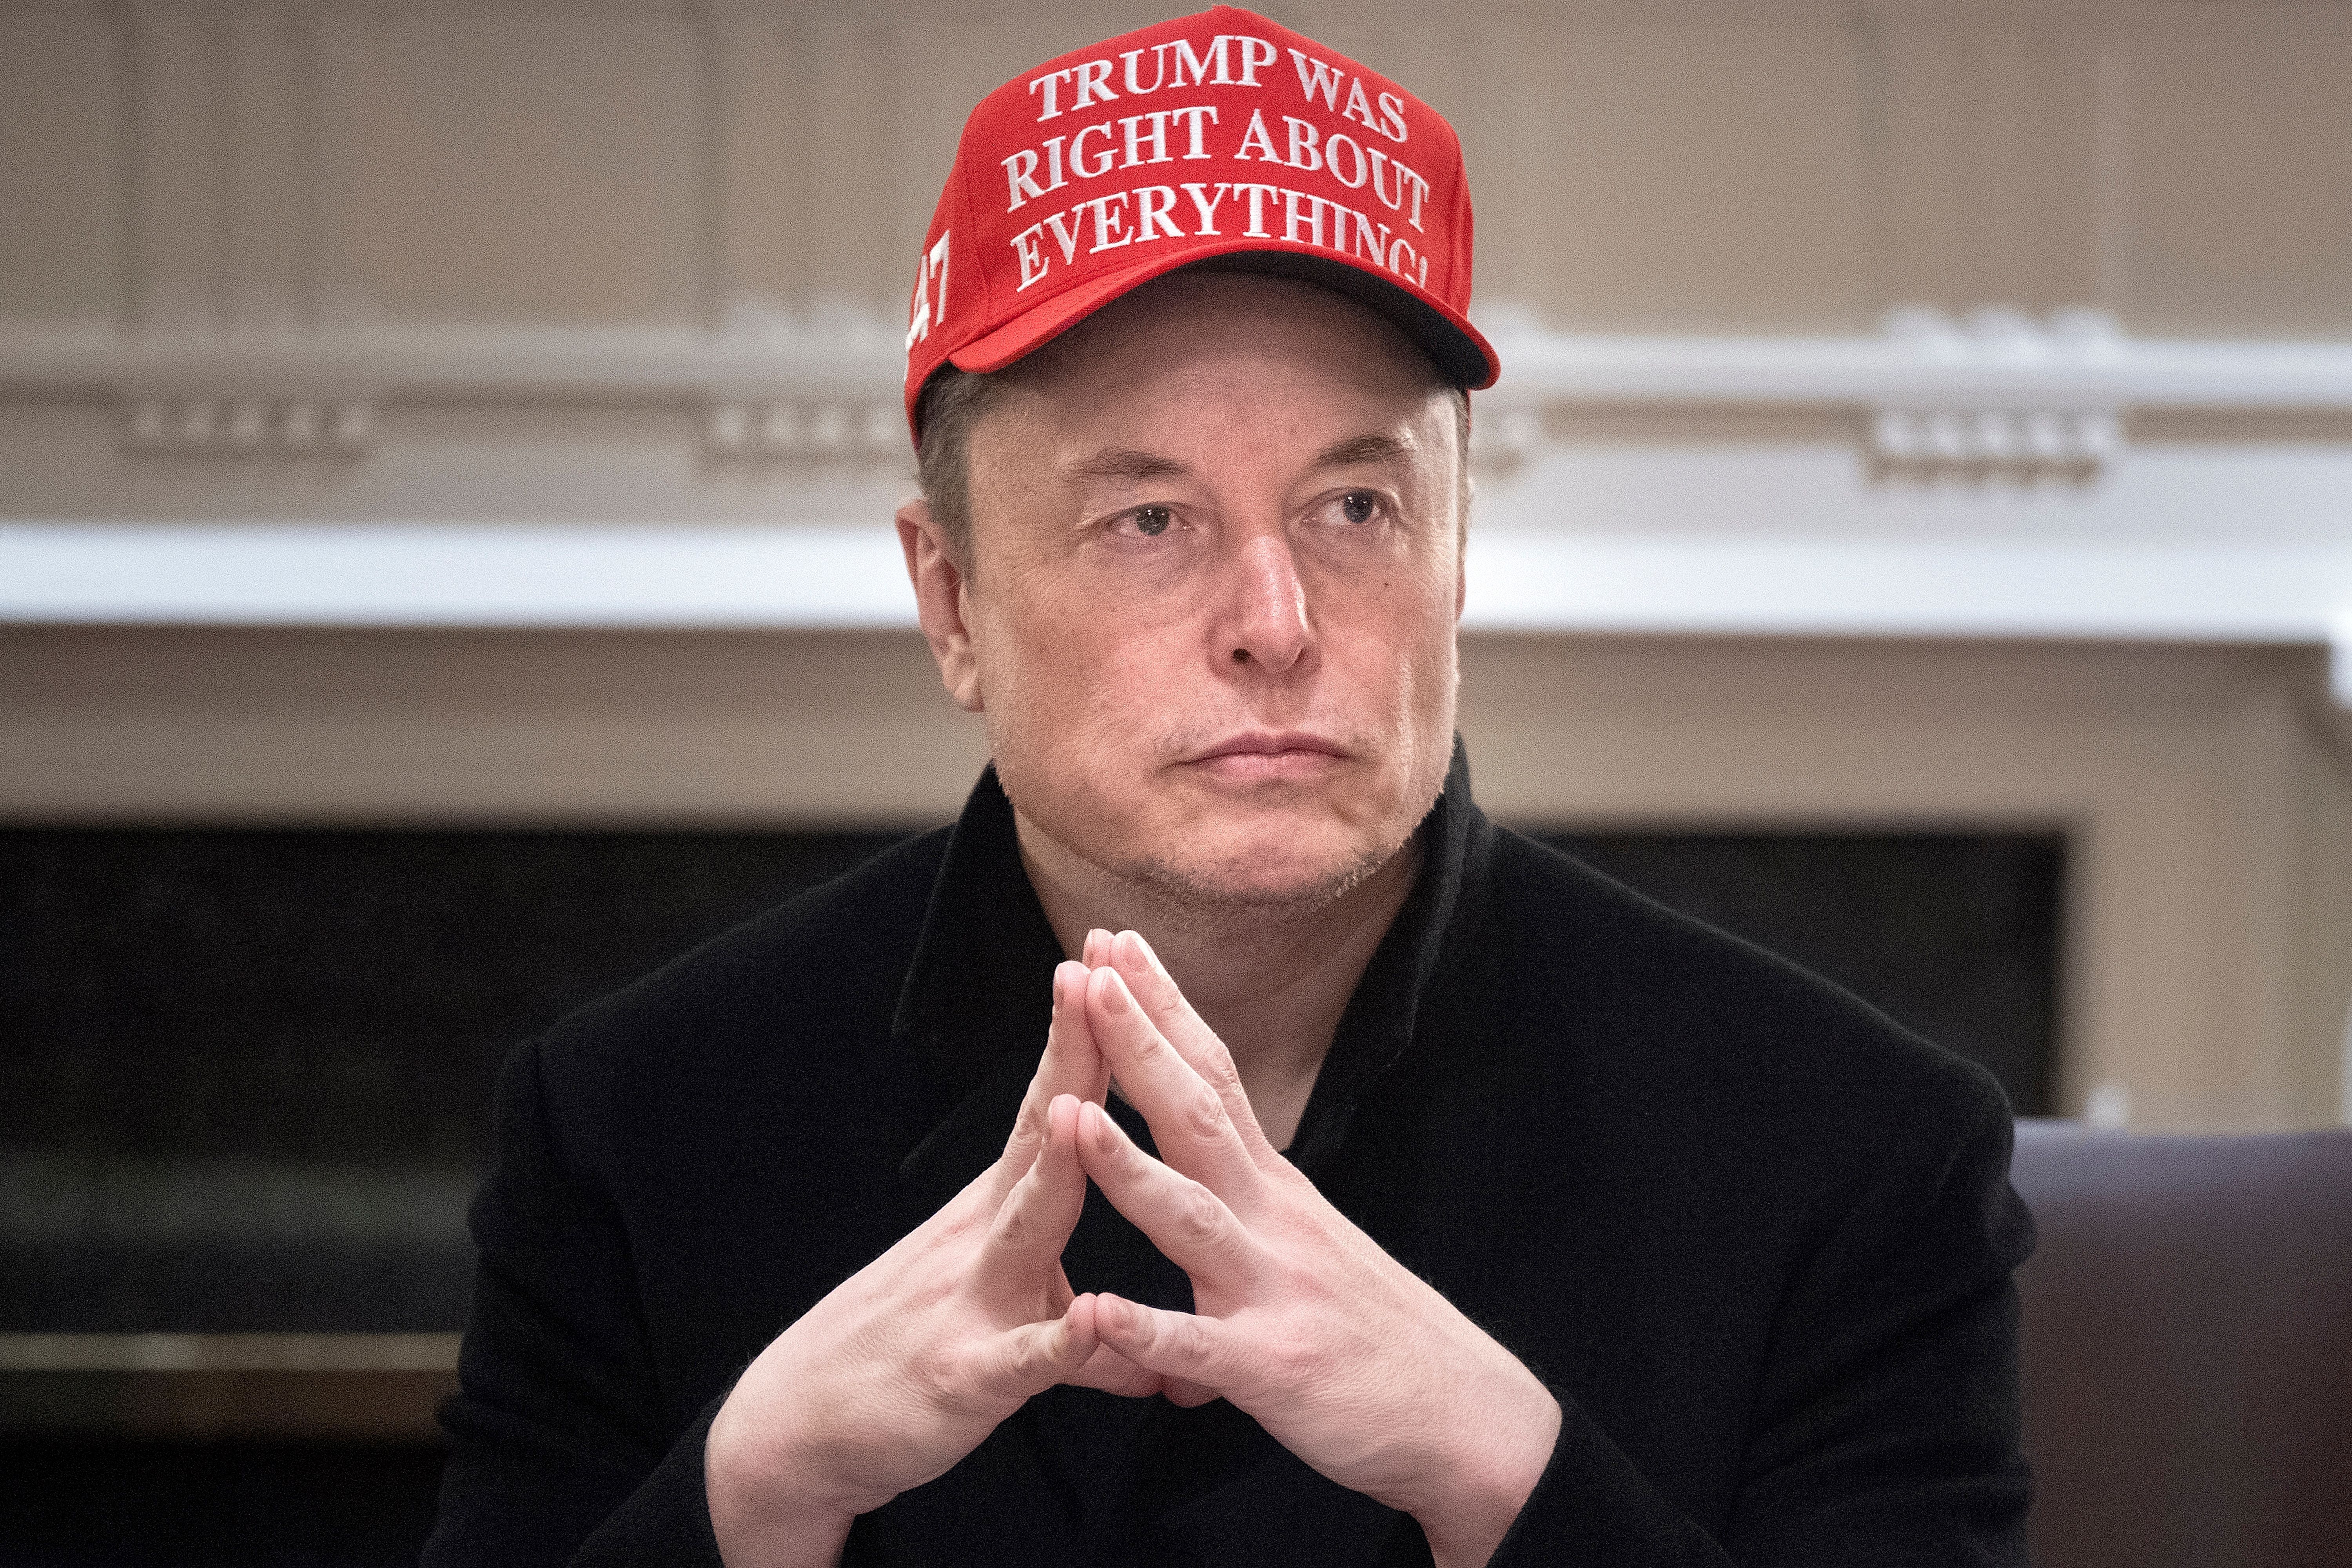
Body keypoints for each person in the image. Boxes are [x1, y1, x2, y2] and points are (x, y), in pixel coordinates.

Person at [422, 8, 2033, 1566]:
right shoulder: (637, 1134)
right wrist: (757, 1487)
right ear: (955, 601)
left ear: (1457, 551)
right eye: (1149, 521)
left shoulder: (1850, 1158)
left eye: (1353, 507)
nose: (1276, 625)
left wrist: (1506, 1476)